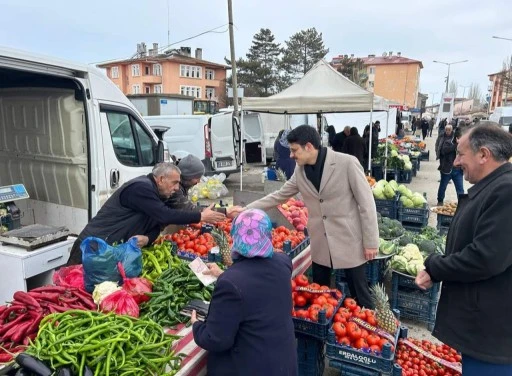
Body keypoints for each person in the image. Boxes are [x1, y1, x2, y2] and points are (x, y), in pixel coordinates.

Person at [232, 125, 379, 309]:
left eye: (294, 150)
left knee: (360, 293)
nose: (291, 155)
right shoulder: (300, 172)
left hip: (349, 239)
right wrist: (245, 209)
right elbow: (278, 195)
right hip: (320, 243)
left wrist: (371, 242)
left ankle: (375, 329)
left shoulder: (347, 163)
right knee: (320, 294)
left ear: (308, 146)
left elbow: (367, 204)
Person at [416, 123, 512, 376]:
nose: (456, 162)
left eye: (461, 154)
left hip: (493, 334)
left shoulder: (506, 191)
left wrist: (435, 266)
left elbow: (485, 258)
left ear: (483, 155)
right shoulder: (495, 187)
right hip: (484, 328)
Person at [191, 209, 297, 376]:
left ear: (236, 237)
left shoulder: (231, 284)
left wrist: (196, 326)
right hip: (283, 364)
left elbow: (216, 340)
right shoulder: (283, 263)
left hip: (250, 367)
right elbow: (256, 284)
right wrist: (224, 274)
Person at [66, 162, 226, 265]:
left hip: (110, 251)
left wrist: (148, 238)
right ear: (161, 179)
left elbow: (159, 223)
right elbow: (165, 215)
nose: (177, 188)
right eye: (175, 183)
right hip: (93, 247)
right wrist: (200, 216)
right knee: (71, 290)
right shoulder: (141, 188)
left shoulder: (160, 194)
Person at [435, 125, 464, 206]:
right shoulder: (448, 141)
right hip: (447, 169)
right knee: (443, 186)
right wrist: (455, 145)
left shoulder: (462, 145)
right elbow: (444, 150)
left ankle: (461, 204)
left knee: (460, 189)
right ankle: (440, 201)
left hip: (458, 170)